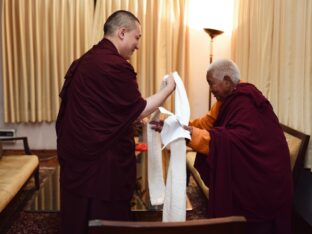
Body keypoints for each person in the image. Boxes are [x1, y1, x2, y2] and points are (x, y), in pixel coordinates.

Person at [55, 10, 176, 234]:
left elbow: (109, 110)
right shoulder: (115, 65)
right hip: (100, 159)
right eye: (137, 37)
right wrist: (168, 90)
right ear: (122, 33)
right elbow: (138, 109)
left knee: (79, 214)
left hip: (77, 150)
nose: (137, 45)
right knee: (104, 214)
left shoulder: (87, 59)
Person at [151, 59, 293, 234]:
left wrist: (187, 134)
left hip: (265, 175)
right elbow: (206, 124)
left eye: (211, 84)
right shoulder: (226, 100)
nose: (211, 90)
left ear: (226, 80)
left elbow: (233, 141)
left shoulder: (246, 102)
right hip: (250, 170)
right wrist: (173, 126)